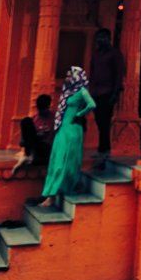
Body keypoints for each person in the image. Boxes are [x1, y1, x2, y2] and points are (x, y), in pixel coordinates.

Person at [40, 67, 96, 207]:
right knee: (57, 160)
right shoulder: (68, 91)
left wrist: (79, 114)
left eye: (70, 75)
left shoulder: (82, 91)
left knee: (64, 162)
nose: (68, 78)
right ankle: (53, 192)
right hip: (62, 129)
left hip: (72, 129)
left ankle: (53, 195)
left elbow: (92, 104)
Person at [89, 27, 125, 169]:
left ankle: (105, 151)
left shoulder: (115, 54)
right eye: (98, 37)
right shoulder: (96, 54)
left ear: (109, 39)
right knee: (99, 122)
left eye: (102, 37)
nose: (100, 40)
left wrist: (115, 94)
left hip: (108, 92)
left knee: (105, 122)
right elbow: (92, 72)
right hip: (96, 92)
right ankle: (102, 148)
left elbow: (119, 74)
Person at [12, 94, 55, 176]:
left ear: (48, 107)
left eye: (43, 109)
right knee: (26, 121)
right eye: (39, 109)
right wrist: (36, 136)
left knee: (48, 159)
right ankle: (30, 157)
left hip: (47, 149)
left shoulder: (54, 117)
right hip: (33, 148)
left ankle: (28, 159)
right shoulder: (34, 118)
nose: (41, 112)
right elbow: (22, 143)